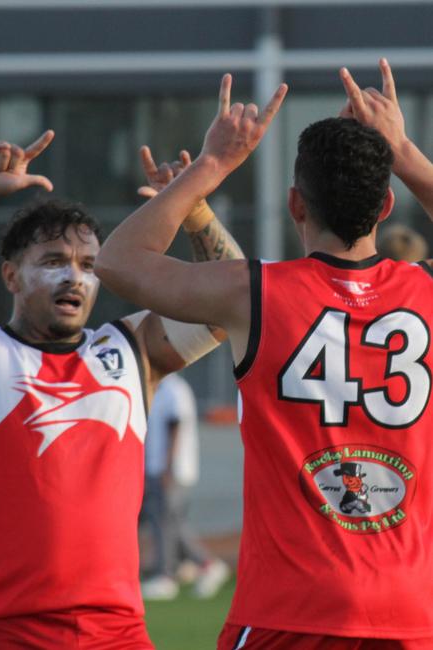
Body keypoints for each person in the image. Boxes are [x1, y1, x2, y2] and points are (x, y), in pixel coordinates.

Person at [95, 58, 433, 648]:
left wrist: (211, 166)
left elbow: (118, 261)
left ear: (295, 204)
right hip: (410, 609)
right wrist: (402, 150)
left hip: (290, 608)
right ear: (385, 208)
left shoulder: (254, 292)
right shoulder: (425, 293)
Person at [0, 131, 243, 649]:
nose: (74, 278)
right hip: (9, 633)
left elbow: (229, 300)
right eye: (53, 261)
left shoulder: (132, 349)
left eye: (87, 266)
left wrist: (195, 212)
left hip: (118, 633)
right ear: (11, 276)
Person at [140, 372, 231, 600]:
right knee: (170, 521)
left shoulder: (173, 389)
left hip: (170, 469)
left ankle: (166, 575)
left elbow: (175, 428)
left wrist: (168, 466)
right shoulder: (159, 389)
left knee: (165, 521)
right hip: (155, 466)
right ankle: (207, 564)